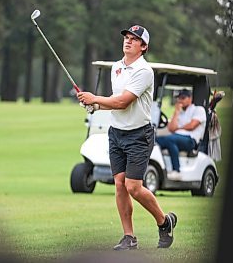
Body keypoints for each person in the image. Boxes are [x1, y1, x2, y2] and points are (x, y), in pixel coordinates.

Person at [77, 25, 177, 250]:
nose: (128, 41)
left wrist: (95, 98)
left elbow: (123, 101)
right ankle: (129, 237)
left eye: (134, 39)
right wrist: (94, 106)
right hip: (116, 134)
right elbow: (115, 101)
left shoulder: (144, 71)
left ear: (144, 47)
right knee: (120, 185)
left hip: (138, 135)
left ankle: (164, 221)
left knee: (133, 186)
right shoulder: (116, 68)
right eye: (127, 37)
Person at [156, 89, 207, 181]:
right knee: (155, 140)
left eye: (183, 98)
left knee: (170, 139)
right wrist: (176, 112)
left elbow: (192, 126)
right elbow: (171, 128)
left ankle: (176, 170)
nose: (180, 100)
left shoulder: (198, 110)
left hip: (191, 140)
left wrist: (179, 128)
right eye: (178, 98)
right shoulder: (179, 112)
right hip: (176, 138)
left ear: (190, 98)